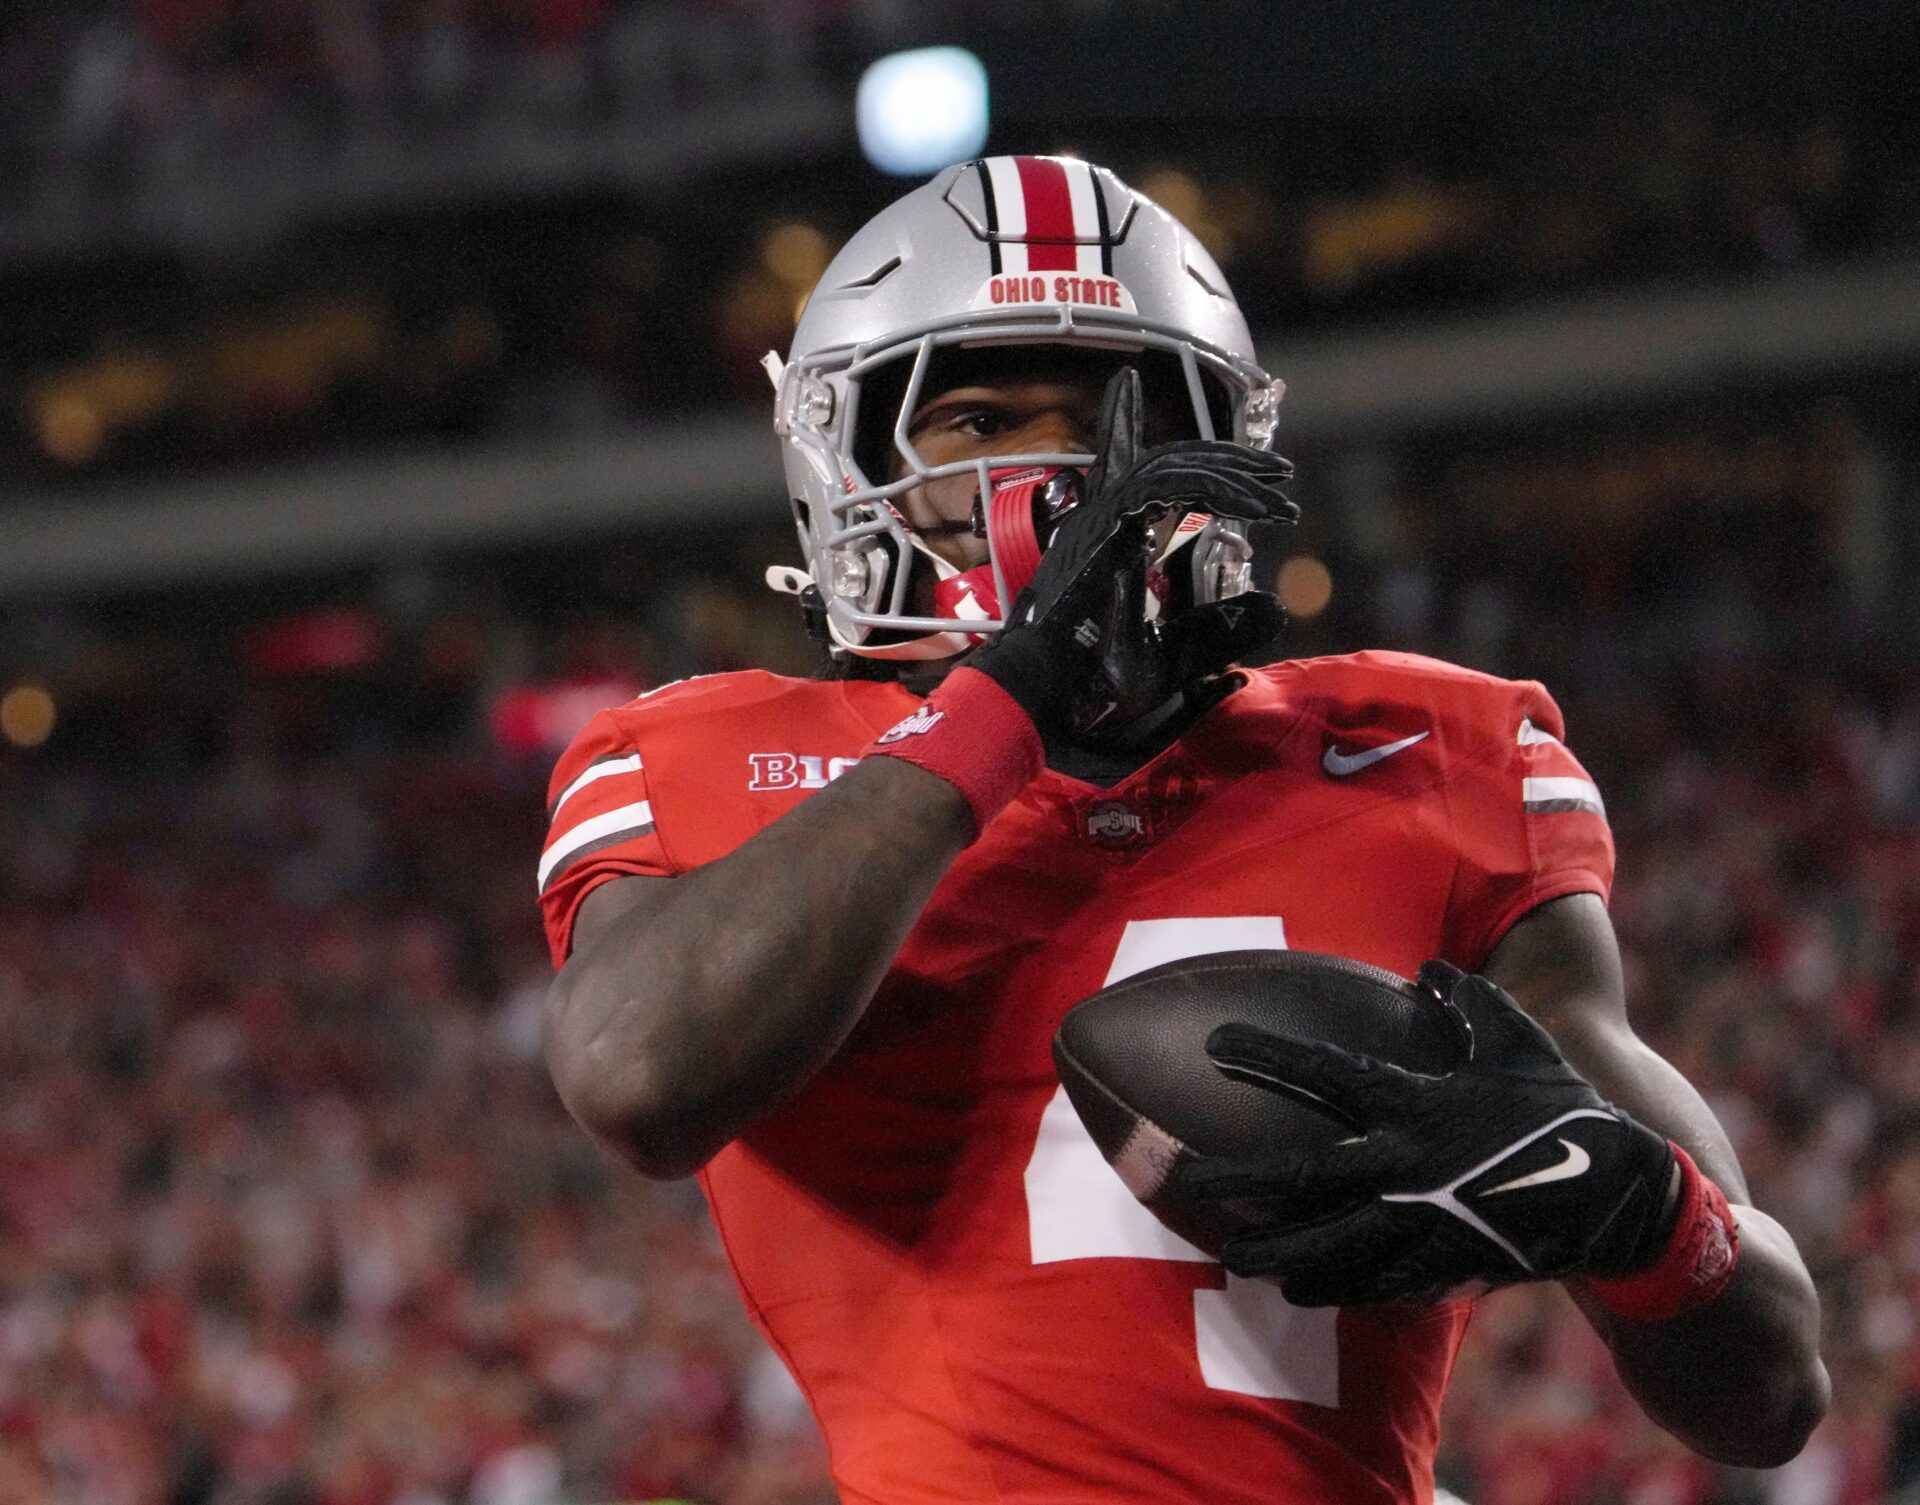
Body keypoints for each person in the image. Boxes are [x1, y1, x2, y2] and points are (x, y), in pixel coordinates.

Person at [537, 156, 1827, 1502]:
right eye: (973, 419)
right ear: (848, 461)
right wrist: (1009, 704)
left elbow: (1772, 1384)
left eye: (1115, 420)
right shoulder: (708, 752)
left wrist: (1636, 1209)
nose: (1056, 475)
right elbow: (636, 1072)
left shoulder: (1428, 747)